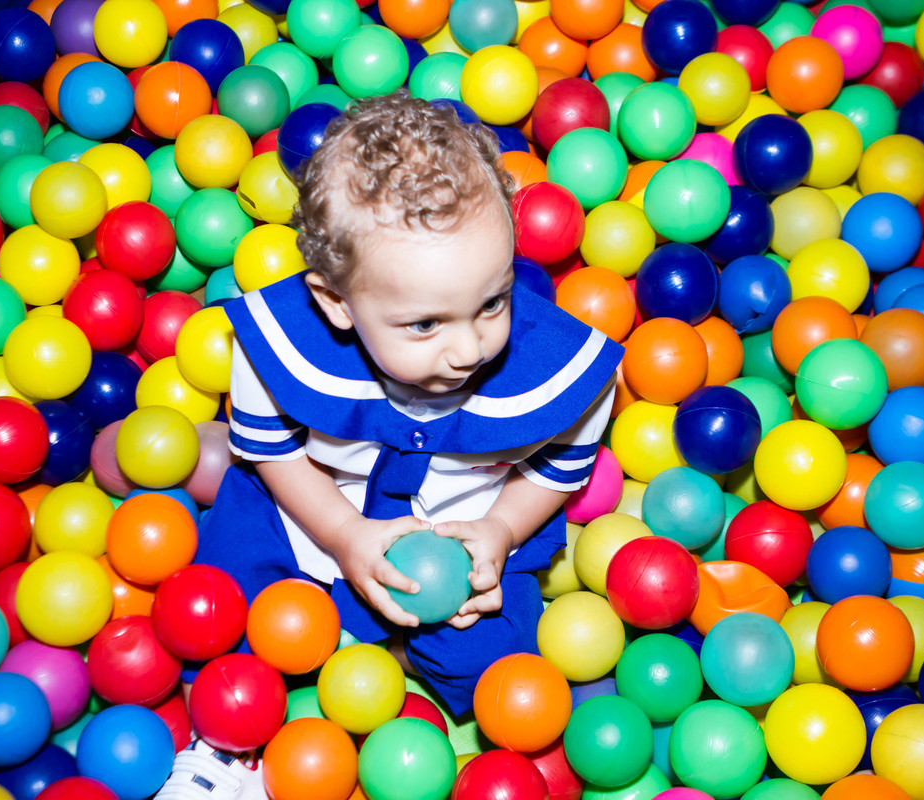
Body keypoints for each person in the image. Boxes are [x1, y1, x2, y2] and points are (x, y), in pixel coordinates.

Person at [157, 90, 623, 800]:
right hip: (312, 506)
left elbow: (558, 469)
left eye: (492, 302)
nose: (468, 348)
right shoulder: (279, 347)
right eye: (424, 325)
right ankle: (223, 749)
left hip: (463, 534)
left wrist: (500, 532)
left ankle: (388, 649)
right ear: (336, 303)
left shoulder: (554, 368)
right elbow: (275, 454)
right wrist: (343, 535)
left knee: (497, 664)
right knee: (223, 596)